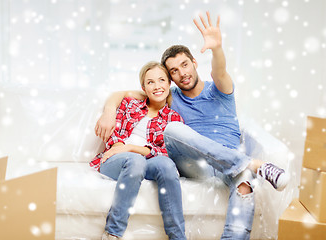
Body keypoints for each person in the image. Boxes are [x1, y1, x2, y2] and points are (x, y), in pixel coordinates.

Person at [95, 12, 290, 240]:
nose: (182, 73)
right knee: (172, 129)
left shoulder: (220, 90)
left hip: (228, 160)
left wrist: (217, 48)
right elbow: (127, 93)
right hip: (196, 163)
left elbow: (220, 71)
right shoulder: (169, 95)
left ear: (195, 63)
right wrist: (109, 111)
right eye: (174, 71)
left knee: (245, 182)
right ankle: (255, 164)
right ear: (170, 78)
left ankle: (245, 171)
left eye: (185, 65)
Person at [90, 61, 186, 240]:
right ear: (143, 87)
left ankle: (178, 237)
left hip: (146, 162)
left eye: (161, 80)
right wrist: (122, 148)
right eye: (150, 82)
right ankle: (112, 233)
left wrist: (132, 148)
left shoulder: (174, 119)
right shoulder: (129, 105)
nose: (157, 86)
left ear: (169, 84)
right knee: (135, 161)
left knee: (166, 164)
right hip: (116, 159)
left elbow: (165, 151)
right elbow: (114, 134)